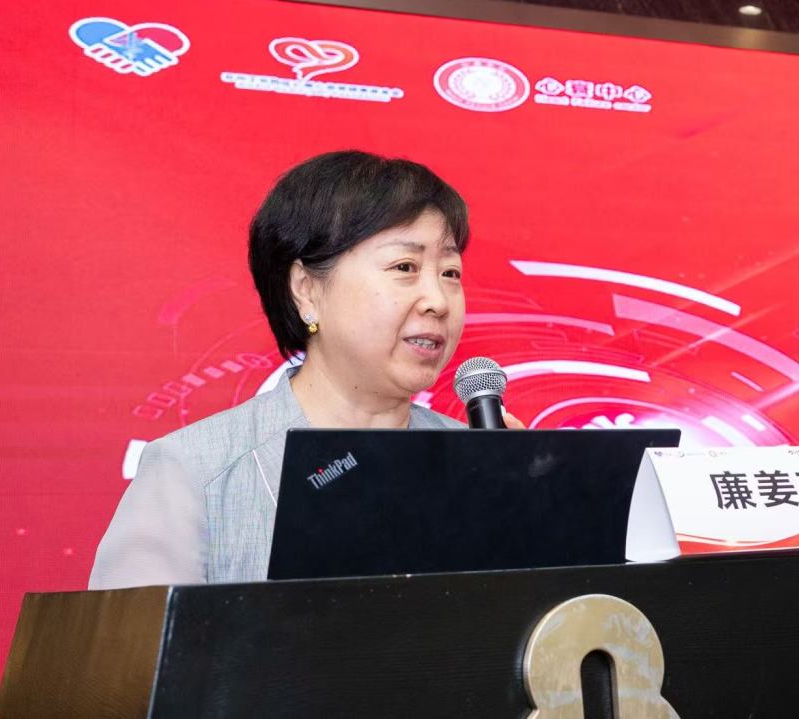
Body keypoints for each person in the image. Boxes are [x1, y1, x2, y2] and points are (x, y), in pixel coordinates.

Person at [89, 150, 520, 589]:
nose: (438, 301)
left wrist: (528, 508)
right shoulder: (193, 472)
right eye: (404, 267)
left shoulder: (479, 465)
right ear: (306, 290)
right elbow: (134, 635)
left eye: (450, 273)